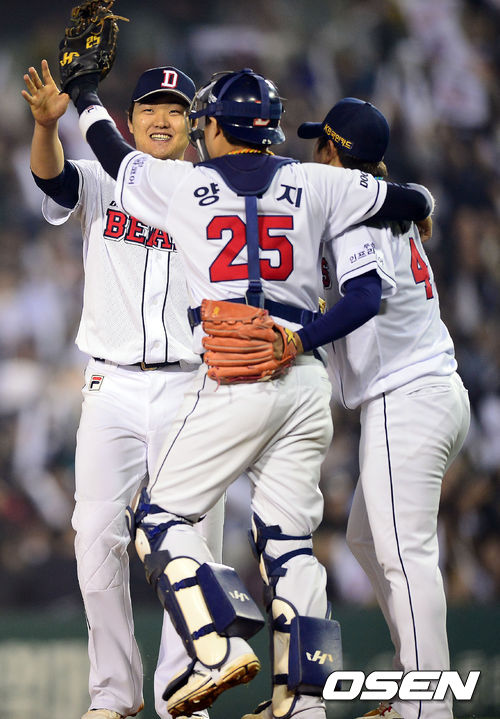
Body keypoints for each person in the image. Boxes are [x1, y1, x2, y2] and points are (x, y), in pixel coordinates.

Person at [66, 65, 435, 719]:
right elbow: (404, 197)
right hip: (304, 374)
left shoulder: (187, 184)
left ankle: (217, 645)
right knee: (291, 546)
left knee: (161, 521)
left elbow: (112, 154)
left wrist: (86, 98)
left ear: (211, 127)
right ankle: (306, 701)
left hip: (237, 370)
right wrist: (420, 206)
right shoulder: (315, 180)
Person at [22, 60, 225, 719]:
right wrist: (46, 127)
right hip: (110, 383)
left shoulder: (210, 190)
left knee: (188, 546)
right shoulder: (102, 177)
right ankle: (113, 693)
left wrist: (85, 103)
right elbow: (53, 179)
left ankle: (180, 693)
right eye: (149, 108)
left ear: (192, 123)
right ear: (130, 121)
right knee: (93, 536)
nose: (161, 118)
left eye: (174, 108)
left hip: (192, 385)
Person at [296, 98, 471, 719]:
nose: (313, 153)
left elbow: (365, 297)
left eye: (320, 144)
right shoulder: (386, 200)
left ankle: (428, 706)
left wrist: (300, 340)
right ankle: (413, 687)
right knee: (369, 539)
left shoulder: (356, 213)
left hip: (407, 396)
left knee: (404, 555)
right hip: (428, 390)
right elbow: (414, 199)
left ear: (333, 151)